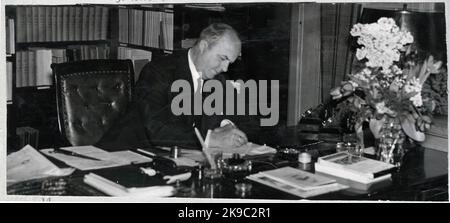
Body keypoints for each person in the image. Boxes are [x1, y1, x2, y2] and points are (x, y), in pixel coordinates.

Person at [96, 23, 248, 151]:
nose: (226, 68)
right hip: (126, 153)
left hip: (175, 158)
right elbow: (157, 129)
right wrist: (210, 139)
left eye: (230, 62)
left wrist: (227, 126)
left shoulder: (218, 79)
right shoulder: (158, 71)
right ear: (203, 46)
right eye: (222, 58)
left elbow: (243, 116)